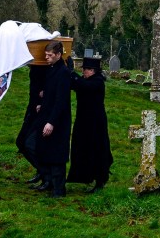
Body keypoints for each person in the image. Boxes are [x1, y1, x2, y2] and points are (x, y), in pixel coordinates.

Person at [67, 56, 114, 193]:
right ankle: (85, 176)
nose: (84, 72)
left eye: (86, 70)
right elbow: (77, 84)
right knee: (82, 147)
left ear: (93, 70)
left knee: (96, 148)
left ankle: (100, 179)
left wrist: (72, 73)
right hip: (83, 120)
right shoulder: (87, 80)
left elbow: (84, 86)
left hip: (95, 122)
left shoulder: (97, 82)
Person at [34, 41, 73, 197]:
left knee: (57, 155)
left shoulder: (63, 72)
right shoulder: (52, 70)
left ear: (58, 55)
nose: (46, 58)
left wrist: (51, 122)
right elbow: (51, 93)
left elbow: (61, 100)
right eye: (46, 55)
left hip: (58, 120)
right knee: (46, 151)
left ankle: (59, 190)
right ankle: (50, 183)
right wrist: (42, 104)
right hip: (47, 114)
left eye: (50, 55)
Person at [15, 63, 47, 184]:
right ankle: (42, 171)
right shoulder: (35, 68)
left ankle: (45, 174)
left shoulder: (45, 69)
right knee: (21, 142)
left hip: (41, 112)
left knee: (29, 144)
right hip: (32, 110)